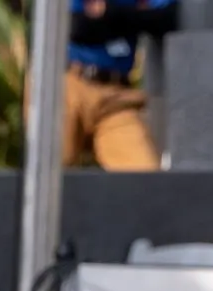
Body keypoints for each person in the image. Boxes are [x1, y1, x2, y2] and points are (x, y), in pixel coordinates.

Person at [62, 0, 179, 170]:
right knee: (46, 177)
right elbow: (77, 27)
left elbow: (167, 18)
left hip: (117, 95)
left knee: (145, 178)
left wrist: (110, 13)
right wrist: (135, 17)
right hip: (68, 85)